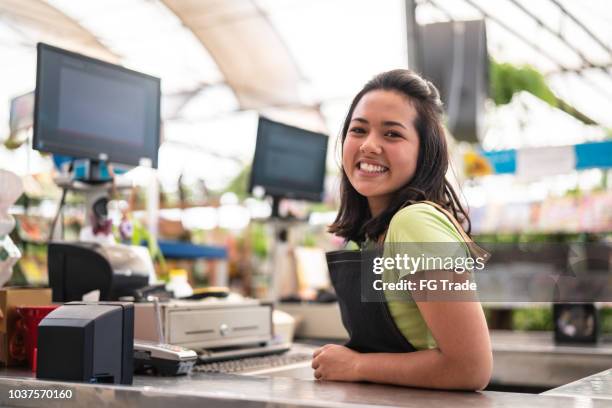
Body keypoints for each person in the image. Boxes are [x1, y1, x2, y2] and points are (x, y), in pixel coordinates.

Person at [313, 69, 492, 390]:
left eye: (392, 134)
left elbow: (470, 367)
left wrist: (356, 364)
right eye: (358, 130)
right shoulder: (371, 236)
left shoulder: (414, 223)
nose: (369, 145)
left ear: (425, 152)